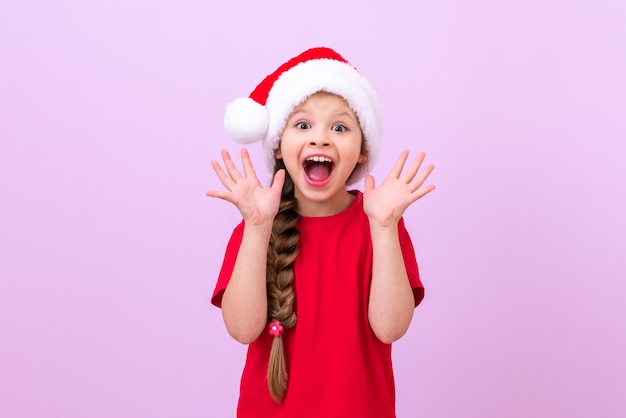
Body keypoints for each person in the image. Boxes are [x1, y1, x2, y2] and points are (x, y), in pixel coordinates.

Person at [207, 47, 435, 418]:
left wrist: (384, 228)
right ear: (279, 146)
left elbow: (391, 328)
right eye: (302, 125)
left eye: (340, 127)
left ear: (362, 151)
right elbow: (242, 329)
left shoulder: (380, 223)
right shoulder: (255, 226)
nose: (321, 139)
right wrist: (257, 228)